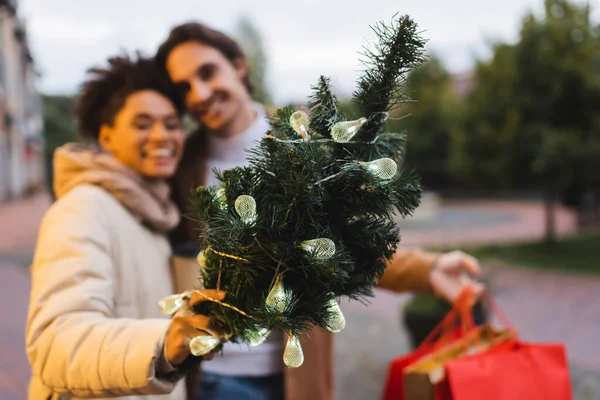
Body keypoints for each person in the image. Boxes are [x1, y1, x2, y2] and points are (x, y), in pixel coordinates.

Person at [155, 23, 484, 400]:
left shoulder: (307, 142)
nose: (199, 93)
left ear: (239, 65)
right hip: (219, 375)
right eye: (183, 87)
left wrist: (427, 269)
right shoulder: (180, 168)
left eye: (207, 72)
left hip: (299, 371)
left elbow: (347, 244)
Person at [25, 54, 226, 400]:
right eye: (143, 124)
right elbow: (54, 341)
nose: (162, 135)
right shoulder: (83, 208)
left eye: (172, 123)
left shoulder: (154, 213)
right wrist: (164, 342)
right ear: (106, 137)